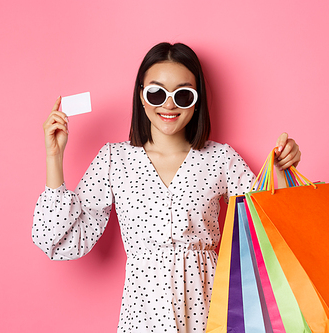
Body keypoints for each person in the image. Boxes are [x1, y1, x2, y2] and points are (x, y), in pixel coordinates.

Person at [33, 42, 301, 333]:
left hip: (212, 307)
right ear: (141, 96)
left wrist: (281, 172)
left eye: (183, 94)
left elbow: (270, 230)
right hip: (143, 313)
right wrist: (54, 157)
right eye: (157, 92)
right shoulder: (114, 159)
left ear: (196, 101)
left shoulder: (221, 158)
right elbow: (60, 240)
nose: (169, 104)